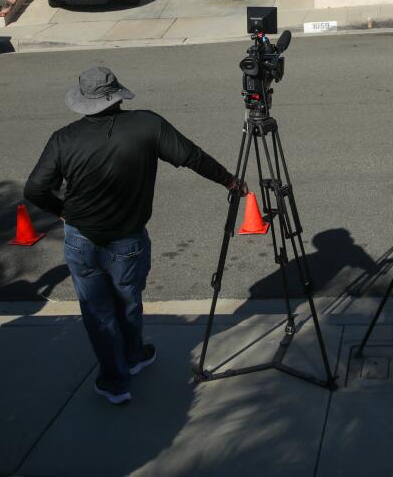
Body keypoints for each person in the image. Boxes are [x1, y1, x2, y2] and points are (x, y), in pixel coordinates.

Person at [24, 67, 245, 405]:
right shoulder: (147, 125)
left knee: (98, 313)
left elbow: (35, 189)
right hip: (128, 240)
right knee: (128, 300)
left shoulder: (63, 139)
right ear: (116, 97)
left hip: (81, 239)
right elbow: (193, 157)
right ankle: (134, 355)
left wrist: (62, 210)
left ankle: (115, 383)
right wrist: (230, 180)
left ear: (83, 102)